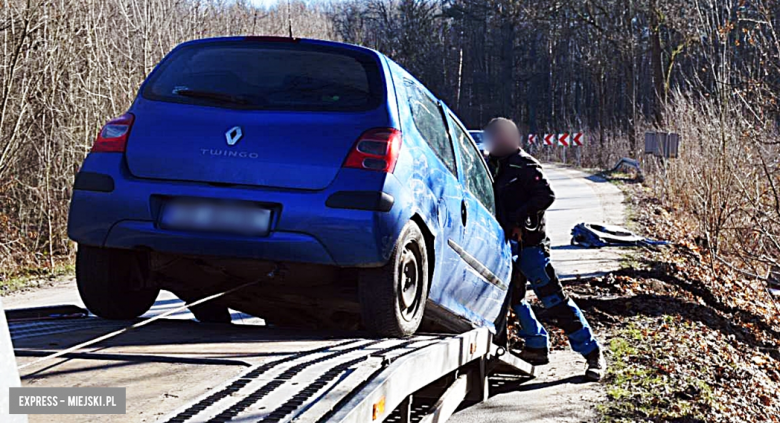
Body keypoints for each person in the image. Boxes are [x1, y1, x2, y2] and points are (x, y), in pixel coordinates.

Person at [484, 117, 606, 381]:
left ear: (512, 139)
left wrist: (518, 219)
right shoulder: (490, 164)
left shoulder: (526, 166)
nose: (493, 142)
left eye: (498, 137)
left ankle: (592, 354)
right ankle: (536, 346)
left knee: (554, 300)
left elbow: (545, 196)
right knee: (514, 299)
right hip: (503, 245)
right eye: (491, 137)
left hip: (530, 246)